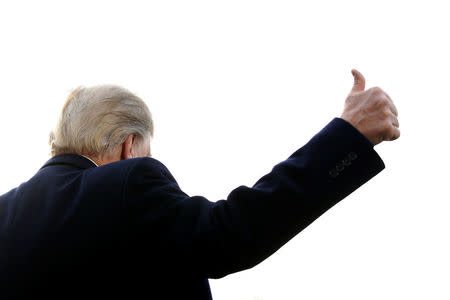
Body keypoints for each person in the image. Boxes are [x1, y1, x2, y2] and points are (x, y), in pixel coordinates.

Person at [0, 69, 399, 299]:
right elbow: (230, 234)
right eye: (147, 150)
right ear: (128, 147)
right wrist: (348, 135)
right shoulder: (128, 180)